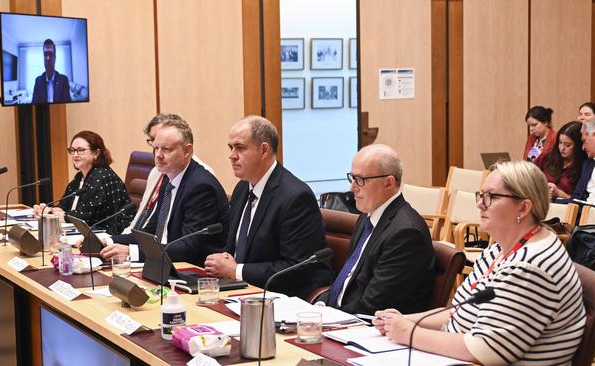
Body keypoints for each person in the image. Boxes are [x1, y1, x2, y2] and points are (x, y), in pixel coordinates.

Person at [373, 160, 586, 365]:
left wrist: (410, 333)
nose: (479, 204)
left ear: (523, 208)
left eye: (491, 197)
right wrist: (405, 321)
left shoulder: (530, 266)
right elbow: (459, 312)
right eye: (481, 195)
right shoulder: (499, 249)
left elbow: (486, 350)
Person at [204, 116, 333, 299]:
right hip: (240, 292)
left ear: (264, 150)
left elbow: (296, 267)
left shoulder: (295, 197)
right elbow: (235, 248)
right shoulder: (243, 187)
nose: (232, 155)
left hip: (280, 298)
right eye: (230, 147)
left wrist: (236, 270)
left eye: (239, 147)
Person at [316, 144, 434, 315]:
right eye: (352, 178)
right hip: (342, 316)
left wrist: (327, 318)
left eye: (360, 180)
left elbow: (374, 306)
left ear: (388, 183)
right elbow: (348, 278)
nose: (352, 187)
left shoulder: (406, 234)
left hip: (370, 329)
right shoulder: (368, 215)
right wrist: (320, 304)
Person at [99, 118, 229, 266]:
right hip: (167, 262)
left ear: (187, 151)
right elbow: (150, 232)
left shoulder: (201, 186)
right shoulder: (168, 177)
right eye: (156, 148)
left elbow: (188, 247)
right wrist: (106, 240)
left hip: (195, 271)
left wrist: (132, 252)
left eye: (166, 149)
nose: (158, 155)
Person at [33, 131, 133, 234]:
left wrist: (50, 214)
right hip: (83, 233)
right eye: (72, 150)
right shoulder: (80, 177)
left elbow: (85, 218)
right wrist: (47, 210)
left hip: (107, 236)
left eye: (80, 150)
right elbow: (64, 206)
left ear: (96, 153)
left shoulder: (101, 177)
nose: (75, 155)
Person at [535, 121, 584, 199]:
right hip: (541, 203)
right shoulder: (547, 157)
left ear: (578, 146)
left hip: (566, 208)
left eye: (568, 145)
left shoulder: (584, 167)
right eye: (560, 143)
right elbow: (531, 177)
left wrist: (559, 193)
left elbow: (580, 202)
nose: (562, 148)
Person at [31, 39, 71, 104]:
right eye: (45, 54)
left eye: (50, 54)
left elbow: (67, 106)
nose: (47, 58)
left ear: (55, 58)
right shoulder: (38, 81)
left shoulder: (64, 80)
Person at [573, 119, 595, 204]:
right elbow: (577, 197)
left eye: (584, 141)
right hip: (586, 211)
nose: (583, 147)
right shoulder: (587, 164)